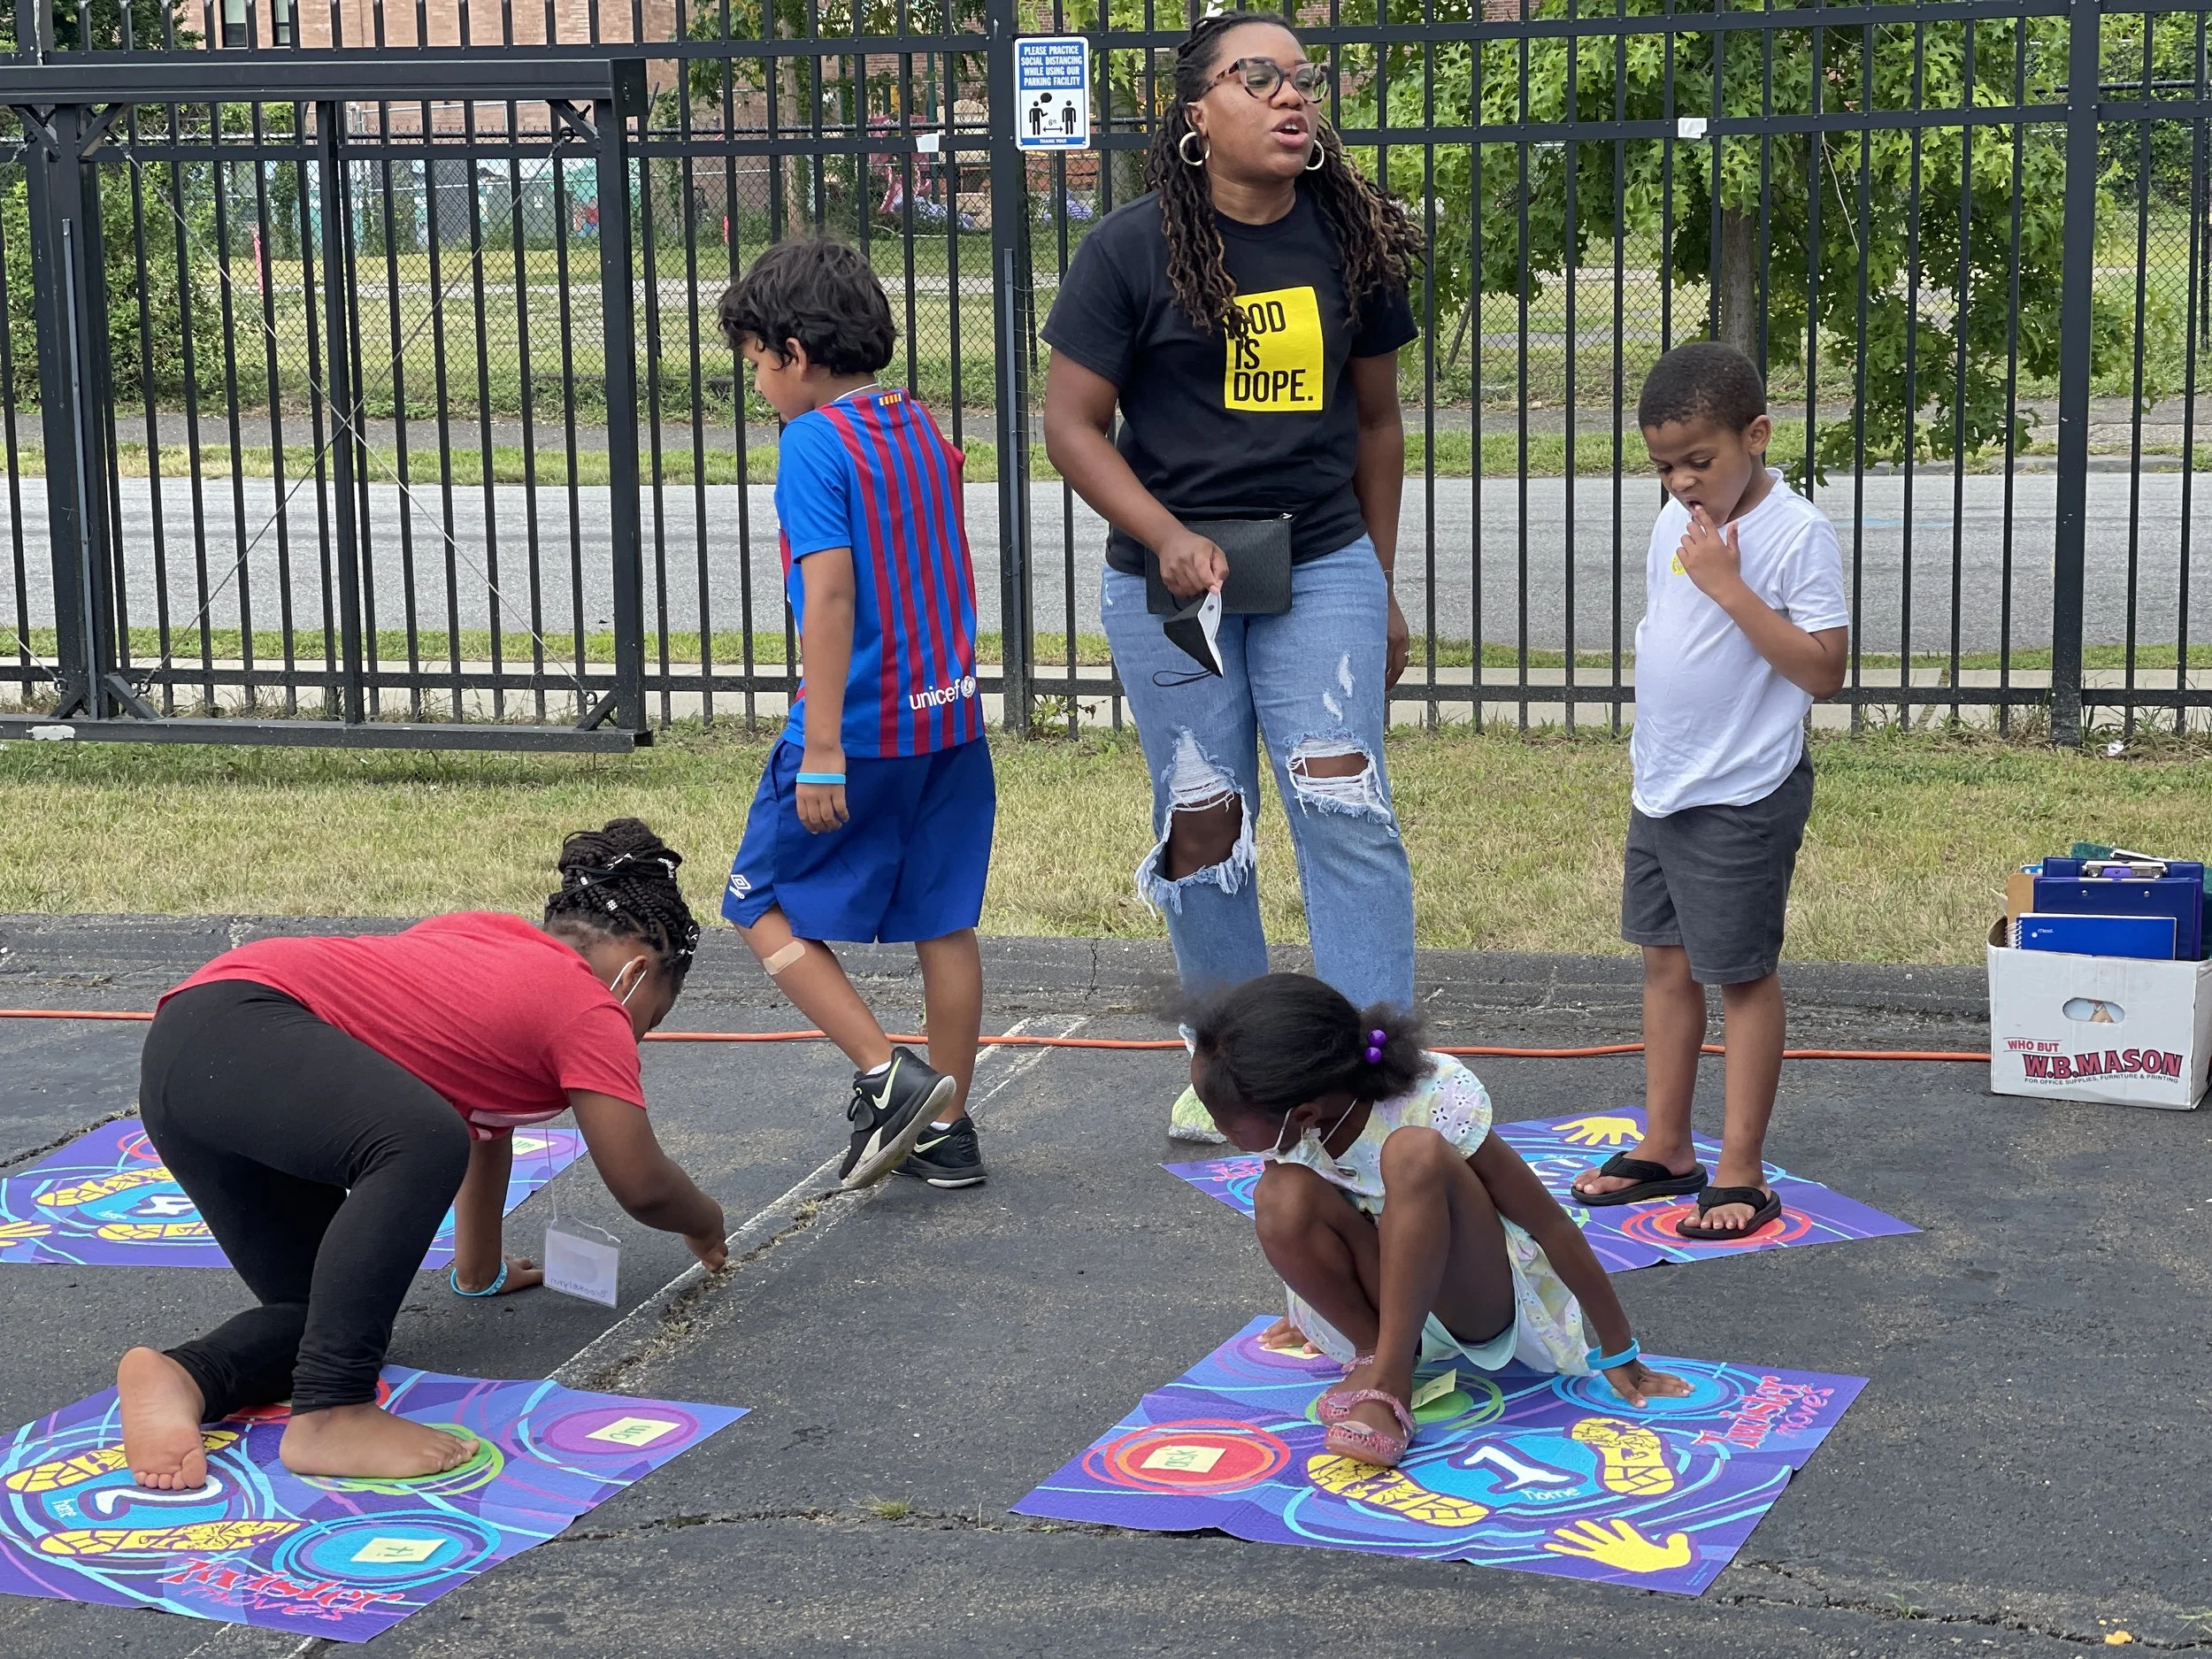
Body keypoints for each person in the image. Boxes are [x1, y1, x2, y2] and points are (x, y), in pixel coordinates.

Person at [1040, 12, 1425, 1145]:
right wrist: (1163, 533)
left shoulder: (1346, 240)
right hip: (1172, 583)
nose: (1292, 97)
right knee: (1205, 819)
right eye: (1258, 78)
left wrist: (1380, 582)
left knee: (1342, 802)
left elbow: (1380, 423)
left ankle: (1369, 1068)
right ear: (1196, 111)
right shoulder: (1126, 248)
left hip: (1319, 561)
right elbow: (1071, 426)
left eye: (1302, 79)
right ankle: (1234, 1068)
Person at [116, 820, 730, 1490]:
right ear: (640, 973)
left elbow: (482, 1126)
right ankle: (333, 1414)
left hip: (190, 1052)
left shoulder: (484, 941)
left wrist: (481, 1266)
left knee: (327, 1313)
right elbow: (639, 1181)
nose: (635, 1040)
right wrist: (703, 1219)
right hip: (254, 1022)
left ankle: (184, 1375)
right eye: (651, 1020)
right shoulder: (589, 1007)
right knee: (421, 1138)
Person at [717, 238, 996, 1192]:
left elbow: (828, 595)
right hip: (949, 721)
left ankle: (888, 1080)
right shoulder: (915, 423)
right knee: (942, 920)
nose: (756, 381)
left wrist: (823, 745)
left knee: (753, 899)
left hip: (861, 729)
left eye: (756, 360)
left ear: (793, 352)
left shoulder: (811, 442)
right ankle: (946, 1133)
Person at [1568, 342, 1849, 1240]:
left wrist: (1729, 587)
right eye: (1663, 467)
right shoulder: (1674, 520)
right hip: (1665, 781)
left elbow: (1823, 671)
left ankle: (1739, 1167)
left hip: (1742, 787)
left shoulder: (1795, 532)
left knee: (1739, 973)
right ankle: (1666, 1145)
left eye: (1700, 461)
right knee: (1663, 961)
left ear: (1755, 435)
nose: (1682, 484)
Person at [1188, 974, 1687, 1470]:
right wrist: (1314, 1302)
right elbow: (1323, 1221)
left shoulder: (1430, 1097)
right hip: (1389, 1304)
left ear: (1304, 1111)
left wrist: (1619, 1348)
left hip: (1473, 1303)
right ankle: (1375, 1356)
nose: (1214, 1125)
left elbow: (1551, 1225)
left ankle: (1390, 1386)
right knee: (1280, 1191)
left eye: (1222, 1117)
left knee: (1413, 1152)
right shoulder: (1298, 1130)